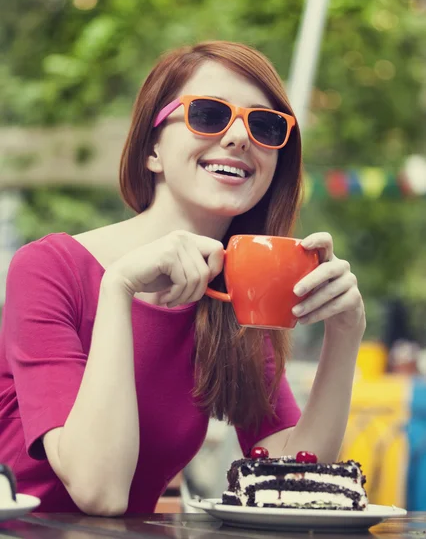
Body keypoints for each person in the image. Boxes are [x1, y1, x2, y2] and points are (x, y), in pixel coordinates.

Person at [0, 41, 365, 516]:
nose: (239, 137)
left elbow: (294, 478)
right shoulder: (50, 267)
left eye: (265, 125)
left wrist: (345, 332)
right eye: (209, 115)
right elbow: (100, 490)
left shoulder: (239, 292)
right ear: (152, 147)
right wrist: (119, 289)